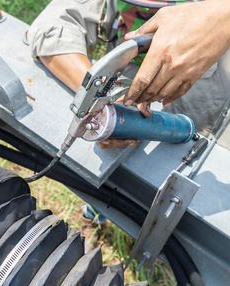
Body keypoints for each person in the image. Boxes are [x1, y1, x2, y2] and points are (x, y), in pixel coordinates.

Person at [28, 0, 230, 222]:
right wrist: (99, 100)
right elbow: (52, 25)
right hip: (131, 62)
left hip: (205, 72)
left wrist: (222, 16)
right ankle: (104, 207)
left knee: (186, 152)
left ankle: (164, 222)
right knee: (115, 156)